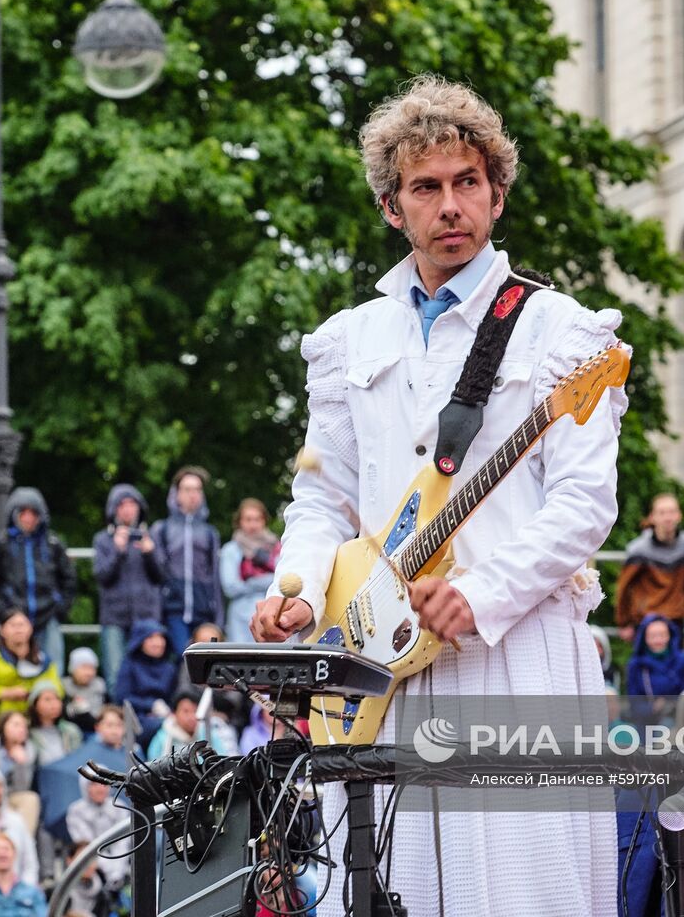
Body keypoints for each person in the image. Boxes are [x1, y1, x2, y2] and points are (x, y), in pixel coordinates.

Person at [250, 77, 626, 914]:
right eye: (427, 188)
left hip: (517, 655)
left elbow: (585, 504)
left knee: (531, 892)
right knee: (395, 888)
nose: (450, 205)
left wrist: (482, 594)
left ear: (495, 192)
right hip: (378, 660)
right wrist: (301, 595)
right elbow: (321, 500)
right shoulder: (348, 340)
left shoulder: (562, 330)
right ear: (393, 207)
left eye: (466, 183)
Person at [0, 488, 75, 674]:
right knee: (10, 672)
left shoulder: (53, 543)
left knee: (53, 671)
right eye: (23, 513)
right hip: (13, 619)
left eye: (33, 513)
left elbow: (69, 579)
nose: (28, 518)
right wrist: (3, 613)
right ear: (14, 514)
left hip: (47, 618)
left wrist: (59, 608)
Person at [91, 484, 162, 688]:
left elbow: (160, 577)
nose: (128, 509)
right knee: (115, 673)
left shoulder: (151, 537)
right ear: (114, 509)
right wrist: (117, 550)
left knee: (146, 673)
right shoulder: (103, 540)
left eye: (132, 504)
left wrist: (150, 554)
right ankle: (117, 717)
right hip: (114, 618)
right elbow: (102, 576)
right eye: (122, 505)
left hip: (146, 617)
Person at [151, 466, 223, 655]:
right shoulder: (162, 529)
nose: (193, 495)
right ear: (176, 493)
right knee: (181, 657)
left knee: (205, 661)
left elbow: (215, 575)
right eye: (188, 489)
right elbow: (155, 573)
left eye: (197, 489)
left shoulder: (209, 533)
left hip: (203, 609)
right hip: (172, 609)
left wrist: (219, 618)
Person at [614, 493, 684, 638]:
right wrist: (623, 622)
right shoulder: (638, 549)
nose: (668, 517)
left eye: (672, 512)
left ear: (679, 515)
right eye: (662, 513)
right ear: (652, 517)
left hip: (676, 619)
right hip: (646, 620)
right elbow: (623, 588)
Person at [0, 610, 62, 733]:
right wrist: (7, 693)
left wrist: (36, 695)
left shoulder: (42, 658)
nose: (18, 629)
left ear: (30, 628)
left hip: (35, 722)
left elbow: (58, 688)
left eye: (22, 625)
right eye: (12, 625)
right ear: (2, 630)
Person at [218, 498, 280, 652]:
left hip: (272, 615)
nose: (253, 524)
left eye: (257, 519)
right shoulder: (231, 550)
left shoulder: (277, 547)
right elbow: (230, 587)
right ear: (240, 522)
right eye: (248, 519)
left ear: (264, 521)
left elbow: (283, 581)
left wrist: (249, 582)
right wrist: (268, 581)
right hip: (240, 620)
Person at [112, 619, 175, 748]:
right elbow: (122, 697)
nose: (158, 643)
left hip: (167, 716)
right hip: (137, 719)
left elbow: (174, 697)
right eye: (151, 638)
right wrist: (151, 705)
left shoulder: (170, 668)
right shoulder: (129, 665)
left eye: (160, 637)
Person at [624, 614, 684, 727]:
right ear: (644, 638)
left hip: (678, 719)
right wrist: (653, 708)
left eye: (662, 635)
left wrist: (669, 704)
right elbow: (634, 701)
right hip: (646, 721)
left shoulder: (683, 660)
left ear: (670, 635)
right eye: (652, 636)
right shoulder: (636, 664)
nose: (658, 640)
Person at [146, 689, 239, 759]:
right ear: (174, 714)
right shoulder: (162, 738)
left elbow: (222, 758)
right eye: (186, 711)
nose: (191, 717)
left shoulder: (208, 734)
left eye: (195, 711)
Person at [26, 680, 81, 765]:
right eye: (47, 699)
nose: (54, 704)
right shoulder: (26, 732)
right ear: (35, 704)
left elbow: (78, 761)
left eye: (57, 699)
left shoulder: (71, 730)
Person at [61, 648, 105, 735]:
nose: (89, 673)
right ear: (73, 669)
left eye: (92, 668)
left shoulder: (99, 686)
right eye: (84, 667)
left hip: (95, 730)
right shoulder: (64, 686)